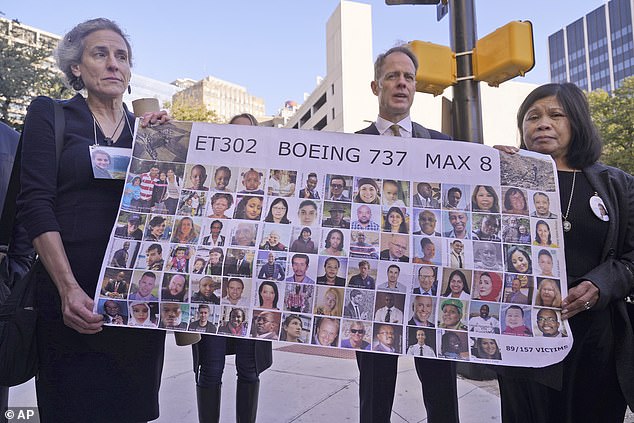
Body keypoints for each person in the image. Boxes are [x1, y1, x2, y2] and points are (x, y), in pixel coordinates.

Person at [354, 45, 458, 423]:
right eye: (393, 76)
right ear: (375, 85)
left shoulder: (444, 146)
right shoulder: (349, 147)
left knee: (442, 391)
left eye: (409, 77)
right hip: (377, 285)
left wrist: (503, 158)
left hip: (429, 286)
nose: (402, 83)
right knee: (375, 392)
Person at [193, 113, 271, 423]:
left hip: (248, 294)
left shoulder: (264, 187)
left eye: (249, 134)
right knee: (210, 369)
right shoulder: (215, 184)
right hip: (211, 291)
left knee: (248, 370)